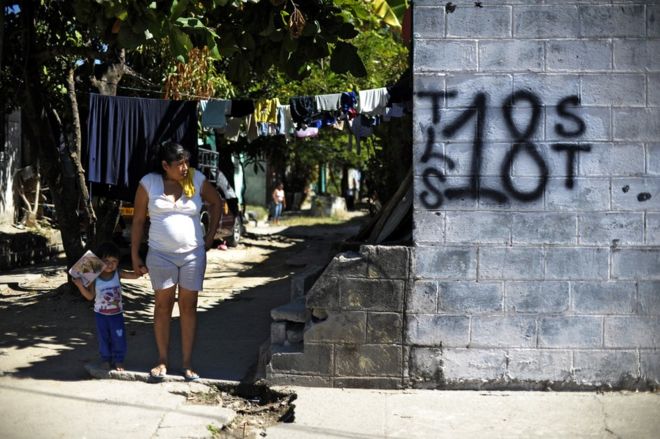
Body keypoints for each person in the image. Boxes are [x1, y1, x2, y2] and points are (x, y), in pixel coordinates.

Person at [131, 141, 223, 382]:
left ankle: (187, 364)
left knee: (188, 307)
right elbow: (139, 221)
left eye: (186, 162)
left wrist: (211, 236)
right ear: (165, 165)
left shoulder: (196, 179)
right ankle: (162, 360)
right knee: (162, 306)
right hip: (160, 255)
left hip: (193, 254)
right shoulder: (148, 183)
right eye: (179, 164)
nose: (184, 168)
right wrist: (134, 255)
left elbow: (217, 203)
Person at [72, 241, 140, 371]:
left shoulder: (118, 274)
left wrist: (140, 268)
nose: (110, 264)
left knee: (119, 337)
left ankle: (119, 360)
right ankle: (106, 359)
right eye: (106, 260)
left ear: (118, 262)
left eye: (114, 261)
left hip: (117, 315)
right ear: (98, 262)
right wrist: (80, 285)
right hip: (100, 316)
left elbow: (136, 275)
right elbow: (90, 297)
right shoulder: (94, 277)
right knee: (104, 339)